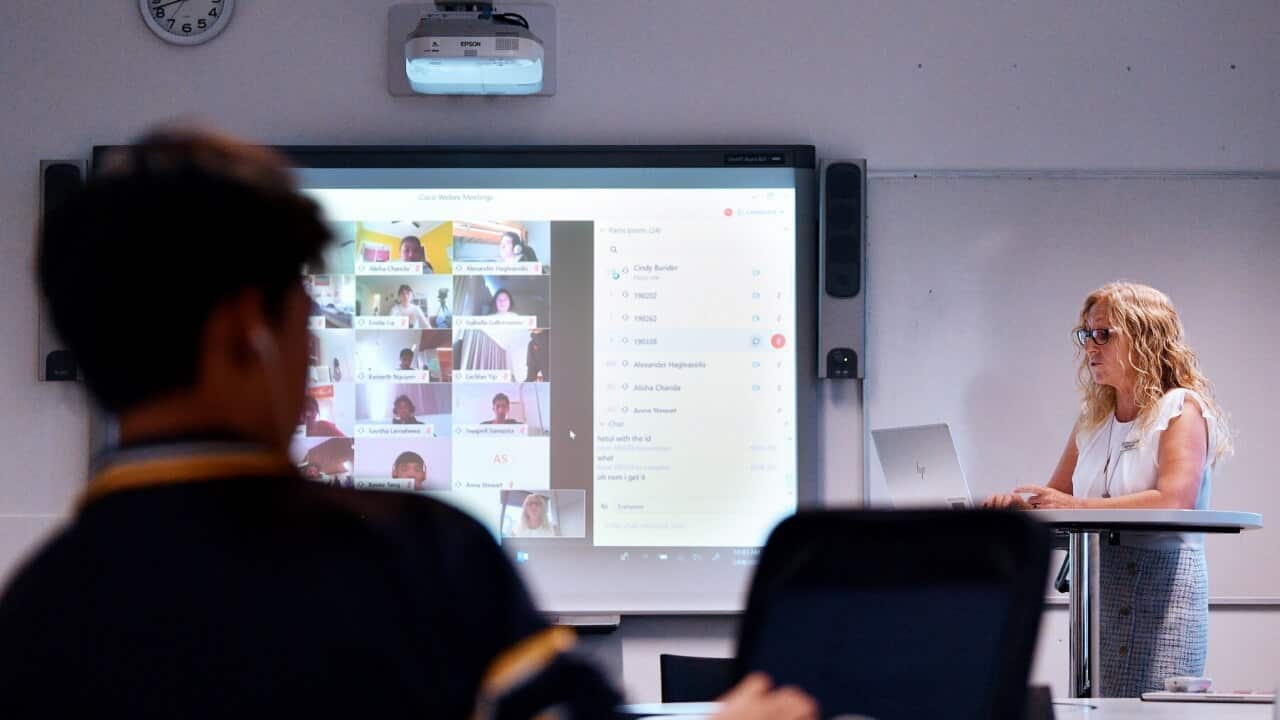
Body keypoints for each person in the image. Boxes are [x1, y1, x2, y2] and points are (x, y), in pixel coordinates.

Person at [0, 127, 816, 720]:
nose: (313, 341)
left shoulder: (34, 614)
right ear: (245, 331)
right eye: (302, 314)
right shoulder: (415, 561)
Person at [984, 281, 1231, 697]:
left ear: (1145, 337)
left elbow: (1175, 499)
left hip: (1162, 590)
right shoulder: (1093, 420)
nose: (1090, 347)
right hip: (1100, 586)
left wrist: (1073, 503)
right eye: (1086, 335)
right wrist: (1017, 507)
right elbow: (1056, 497)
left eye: (1104, 334)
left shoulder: (1181, 408)